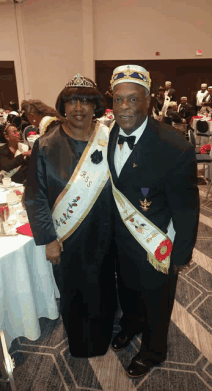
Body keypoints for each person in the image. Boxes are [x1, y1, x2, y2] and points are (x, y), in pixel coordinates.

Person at [108, 64, 199, 378]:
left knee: (157, 302)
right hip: (121, 239)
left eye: (133, 99)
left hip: (156, 244)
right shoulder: (108, 135)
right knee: (128, 291)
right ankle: (131, 325)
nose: (125, 107)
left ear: (148, 100)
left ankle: (153, 350)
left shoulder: (175, 148)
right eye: (119, 100)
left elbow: (187, 208)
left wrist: (180, 254)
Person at [24, 74, 117, 358]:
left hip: (106, 231)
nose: (79, 108)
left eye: (86, 101)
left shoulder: (110, 138)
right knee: (72, 292)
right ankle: (79, 344)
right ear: (63, 105)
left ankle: (102, 339)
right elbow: (34, 196)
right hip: (67, 236)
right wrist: (48, 239)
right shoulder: (46, 144)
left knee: (103, 289)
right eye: (72, 101)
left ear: (96, 106)